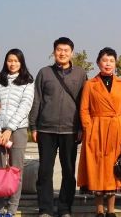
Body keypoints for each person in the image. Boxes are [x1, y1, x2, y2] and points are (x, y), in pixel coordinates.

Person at [29, 37, 87, 217]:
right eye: (59, 50)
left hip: (71, 130)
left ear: (72, 53)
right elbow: (37, 100)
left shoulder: (80, 74)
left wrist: (81, 128)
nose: (62, 53)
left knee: (68, 172)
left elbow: (84, 103)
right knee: (45, 171)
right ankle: (45, 209)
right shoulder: (44, 73)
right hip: (46, 129)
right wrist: (33, 126)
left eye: (66, 50)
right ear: (53, 52)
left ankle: (65, 208)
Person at [77, 47, 121, 217]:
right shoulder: (90, 84)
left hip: (117, 130)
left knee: (113, 170)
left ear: (115, 63)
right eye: (104, 60)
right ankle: (99, 210)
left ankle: (111, 210)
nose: (108, 64)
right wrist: (89, 128)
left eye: (111, 61)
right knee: (97, 169)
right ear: (98, 62)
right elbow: (84, 109)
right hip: (96, 130)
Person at [0, 49, 35, 217]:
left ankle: (12, 209)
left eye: (16, 61)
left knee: (16, 171)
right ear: (5, 62)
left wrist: (9, 129)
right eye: (9, 60)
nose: (12, 64)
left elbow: (25, 106)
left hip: (18, 130)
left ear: (21, 63)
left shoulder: (27, 82)